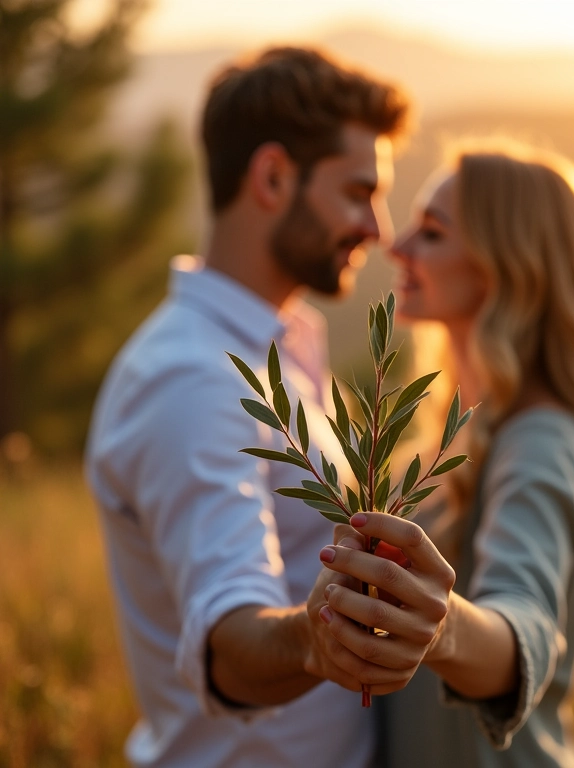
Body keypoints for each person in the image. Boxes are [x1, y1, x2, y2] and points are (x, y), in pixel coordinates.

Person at [85, 46, 455, 768]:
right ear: (273, 177)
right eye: (357, 191)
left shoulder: (277, 346)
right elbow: (229, 639)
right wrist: (319, 639)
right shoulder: (191, 380)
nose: (377, 227)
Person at [310, 139, 574, 767]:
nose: (396, 247)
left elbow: (526, 624)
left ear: (504, 265)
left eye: (432, 233)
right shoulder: (447, 439)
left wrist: (441, 625)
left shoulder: (542, 442)